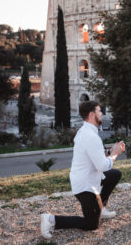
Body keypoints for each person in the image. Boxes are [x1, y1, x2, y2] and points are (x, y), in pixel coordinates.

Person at [40, 101, 125, 238]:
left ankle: (100, 207)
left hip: (88, 177)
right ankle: (51, 220)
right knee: (91, 224)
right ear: (92, 115)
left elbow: (95, 157)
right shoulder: (91, 136)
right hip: (85, 186)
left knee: (114, 174)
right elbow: (102, 166)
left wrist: (109, 153)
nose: (101, 113)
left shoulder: (85, 131)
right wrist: (115, 154)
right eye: (99, 111)